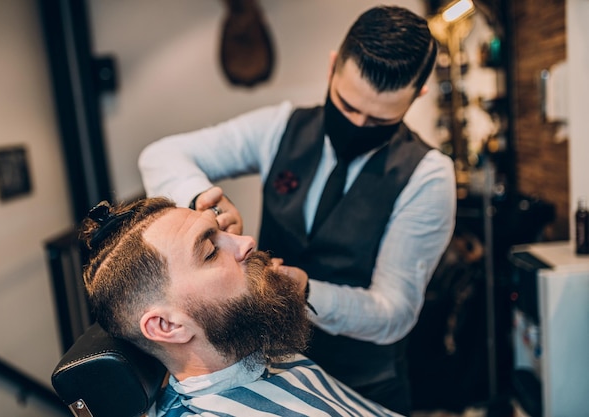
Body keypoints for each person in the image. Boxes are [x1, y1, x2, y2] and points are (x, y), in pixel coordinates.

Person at [138, 5, 456, 415]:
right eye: (346, 106)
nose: (358, 125)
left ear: (418, 96)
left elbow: (394, 311)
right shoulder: (280, 127)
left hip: (365, 384)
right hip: (271, 370)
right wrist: (205, 203)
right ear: (331, 68)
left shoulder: (428, 176)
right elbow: (161, 154)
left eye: (379, 120)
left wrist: (306, 291)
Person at [79, 197, 403, 416]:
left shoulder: (261, 349)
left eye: (222, 232)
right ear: (168, 326)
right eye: (209, 251)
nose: (247, 242)